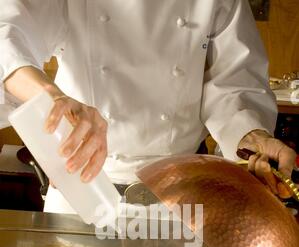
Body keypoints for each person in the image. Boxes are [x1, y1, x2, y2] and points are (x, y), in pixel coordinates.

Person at [0, 0, 296, 213]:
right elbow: (7, 33)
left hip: (182, 197)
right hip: (86, 193)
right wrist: (52, 96)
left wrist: (251, 137)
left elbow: (233, 81)